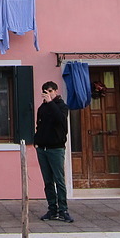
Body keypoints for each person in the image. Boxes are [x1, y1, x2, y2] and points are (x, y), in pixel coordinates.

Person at [34, 81, 74, 223]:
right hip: (42, 149)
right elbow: (39, 125)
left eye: (50, 90)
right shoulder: (42, 108)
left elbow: (60, 120)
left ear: (56, 91)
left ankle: (63, 209)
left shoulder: (62, 107)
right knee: (48, 181)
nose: (48, 93)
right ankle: (52, 209)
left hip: (56, 149)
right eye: (45, 91)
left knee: (59, 180)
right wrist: (36, 140)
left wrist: (50, 103)